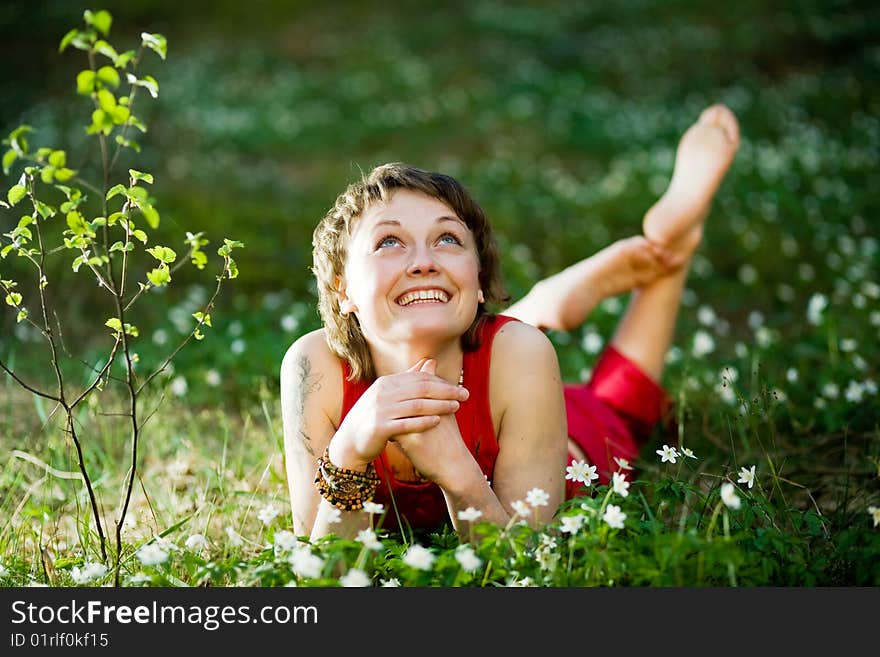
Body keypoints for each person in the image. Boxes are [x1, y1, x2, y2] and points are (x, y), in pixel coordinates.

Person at [281, 104, 740, 541]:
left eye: (446, 239)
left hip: (558, 432)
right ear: (343, 291)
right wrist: (349, 451)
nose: (423, 261)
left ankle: (673, 252)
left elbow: (523, 564)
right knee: (566, 368)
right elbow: (324, 571)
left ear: (477, 281)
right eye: (388, 243)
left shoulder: (522, 356)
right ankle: (540, 306)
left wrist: (458, 472)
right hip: (507, 378)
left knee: (622, 407)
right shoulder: (315, 367)